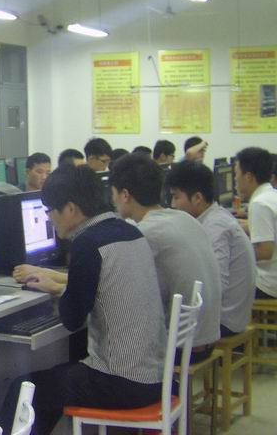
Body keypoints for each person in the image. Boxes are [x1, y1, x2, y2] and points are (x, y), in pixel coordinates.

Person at [0, 165, 164, 435]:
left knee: (25, 389)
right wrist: (61, 286)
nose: (49, 218)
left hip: (121, 382)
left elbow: (71, 319)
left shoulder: (88, 243)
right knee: (52, 383)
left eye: (49, 210)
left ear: (71, 209)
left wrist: (58, 291)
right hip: (154, 375)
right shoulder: (130, 232)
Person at [110, 153, 221, 358]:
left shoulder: (145, 233)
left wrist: (58, 284)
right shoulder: (184, 218)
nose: (113, 199)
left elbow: (111, 282)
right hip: (207, 337)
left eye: (113, 192)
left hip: (181, 349)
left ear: (125, 195)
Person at [167, 161, 256, 336]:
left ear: (197, 198)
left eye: (176, 197)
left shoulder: (214, 227)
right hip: (231, 314)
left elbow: (215, 286)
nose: (172, 204)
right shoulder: (215, 217)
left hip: (224, 321)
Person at [234, 147, 277, 299]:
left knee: (224, 283)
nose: (235, 180)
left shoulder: (260, 203)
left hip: (268, 285)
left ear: (248, 177)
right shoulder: (271, 194)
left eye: (236, 174)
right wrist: (245, 227)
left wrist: (235, 254)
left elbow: (265, 252)